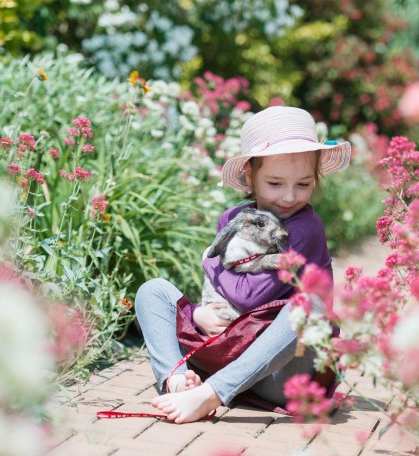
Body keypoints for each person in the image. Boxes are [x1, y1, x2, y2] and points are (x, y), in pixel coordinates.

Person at [135, 106, 351, 423]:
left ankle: (209, 395)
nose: (290, 196)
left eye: (303, 184)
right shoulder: (231, 219)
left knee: (308, 306)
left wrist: (212, 258)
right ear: (250, 175)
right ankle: (177, 381)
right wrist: (198, 312)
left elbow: (250, 296)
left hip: (288, 371)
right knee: (152, 290)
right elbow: (222, 293)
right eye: (275, 183)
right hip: (232, 353)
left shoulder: (303, 228)